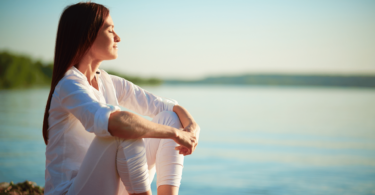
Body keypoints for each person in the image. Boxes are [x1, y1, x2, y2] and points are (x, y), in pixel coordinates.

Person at [42, 2, 200, 195]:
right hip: (71, 191)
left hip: (107, 187)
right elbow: (116, 123)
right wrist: (175, 134)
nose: (118, 37)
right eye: (110, 30)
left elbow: (168, 107)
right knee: (122, 129)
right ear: (87, 36)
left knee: (169, 119)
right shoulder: (69, 84)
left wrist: (191, 127)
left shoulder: (108, 81)